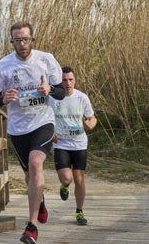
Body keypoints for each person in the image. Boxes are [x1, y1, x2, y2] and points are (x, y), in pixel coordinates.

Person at [0, 21, 65, 244]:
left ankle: (31, 227)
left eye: (26, 39)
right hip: (18, 128)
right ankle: (39, 201)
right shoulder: (4, 65)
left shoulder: (46, 59)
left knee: (35, 163)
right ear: (12, 42)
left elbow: (60, 92)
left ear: (33, 40)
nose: (22, 44)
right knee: (30, 174)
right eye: (17, 40)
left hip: (43, 122)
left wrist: (49, 89)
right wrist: (3, 99)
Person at [49, 66, 97, 226]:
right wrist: (50, 133)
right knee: (67, 178)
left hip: (79, 143)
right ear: (59, 82)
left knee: (79, 179)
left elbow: (92, 117)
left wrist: (90, 124)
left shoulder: (82, 98)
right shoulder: (52, 98)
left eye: (70, 79)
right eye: (64, 80)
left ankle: (79, 211)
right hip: (61, 143)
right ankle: (64, 186)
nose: (67, 83)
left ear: (75, 80)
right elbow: (42, 118)